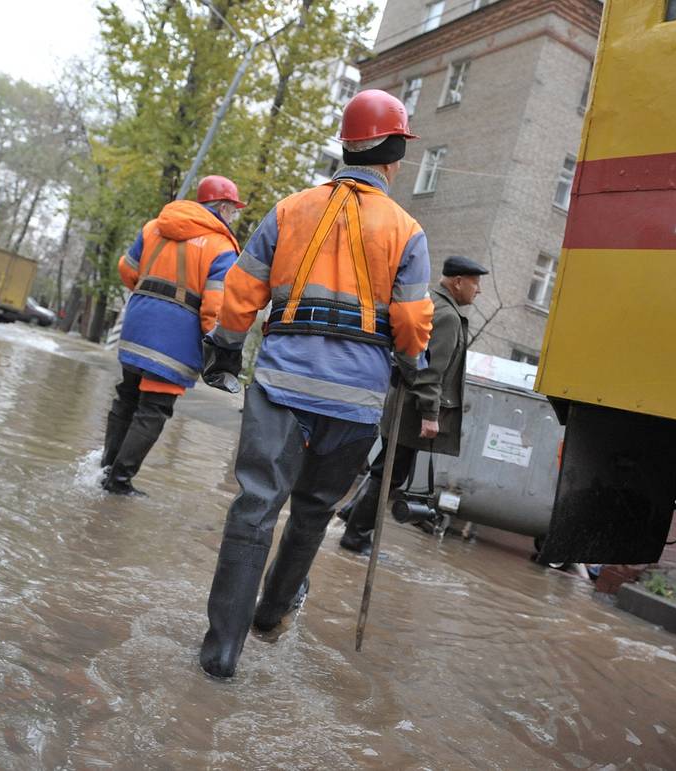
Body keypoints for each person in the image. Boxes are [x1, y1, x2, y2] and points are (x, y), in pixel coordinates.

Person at [197, 89, 434, 678]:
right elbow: (410, 324)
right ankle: (271, 615)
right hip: (355, 404)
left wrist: (226, 351)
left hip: (280, 385)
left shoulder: (289, 210)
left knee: (256, 507)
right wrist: (410, 364)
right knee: (312, 514)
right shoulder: (407, 230)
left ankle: (220, 655)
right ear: (392, 154)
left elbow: (242, 295)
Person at [99, 175, 244, 495]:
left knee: (127, 397)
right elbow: (214, 308)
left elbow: (127, 269)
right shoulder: (221, 246)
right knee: (154, 408)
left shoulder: (154, 227)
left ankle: (106, 472)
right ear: (222, 207)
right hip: (174, 339)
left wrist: (150, 297)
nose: (233, 217)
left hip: (137, 325)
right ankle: (119, 483)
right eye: (233, 210)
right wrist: (217, 347)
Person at [338, 255, 488, 555]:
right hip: (413, 409)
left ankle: (351, 514)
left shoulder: (431, 303)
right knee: (390, 474)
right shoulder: (446, 315)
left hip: (404, 402)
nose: (478, 290)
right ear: (458, 282)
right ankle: (356, 536)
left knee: (385, 469)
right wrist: (430, 415)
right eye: (475, 283)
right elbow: (431, 371)